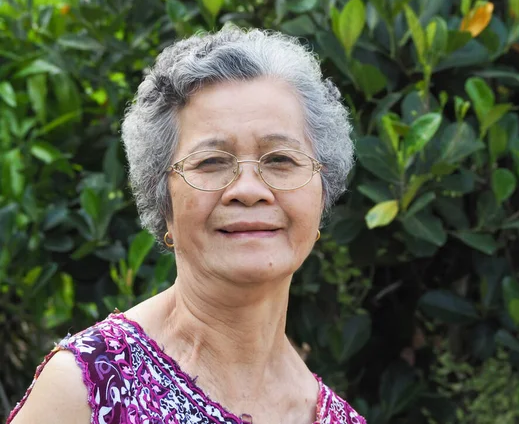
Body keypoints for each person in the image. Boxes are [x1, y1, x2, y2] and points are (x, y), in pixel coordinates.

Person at [7, 26, 364, 424]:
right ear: (164, 203)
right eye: (211, 162)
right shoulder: (90, 388)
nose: (249, 190)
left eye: (281, 160)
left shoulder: (339, 418)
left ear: (322, 194)